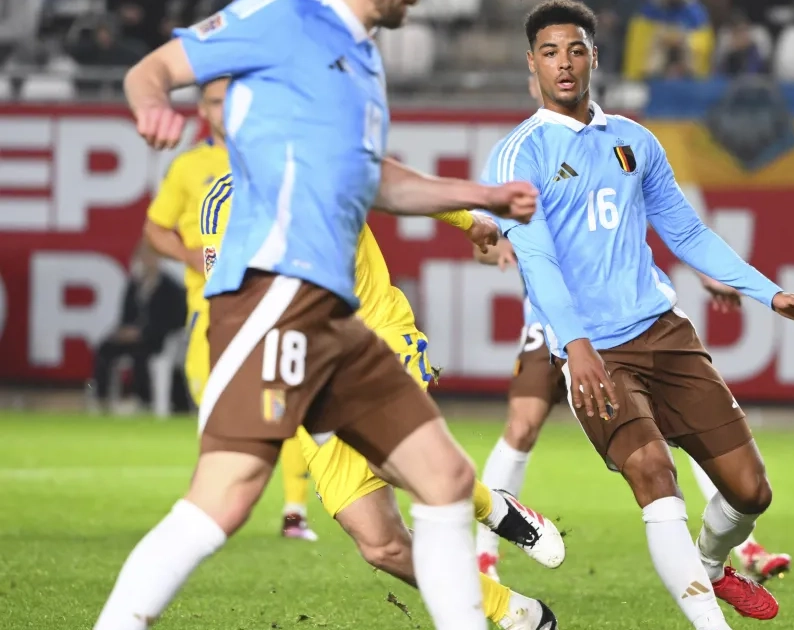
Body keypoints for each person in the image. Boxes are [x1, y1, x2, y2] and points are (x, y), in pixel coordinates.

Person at [94, 0, 540, 628]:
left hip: (336, 318)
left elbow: (371, 180)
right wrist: (150, 104)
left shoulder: (364, 59)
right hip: (278, 297)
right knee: (226, 499)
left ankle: (509, 612)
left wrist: (479, 200)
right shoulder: (284, 17)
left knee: (442, 475)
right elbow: (153, 69)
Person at [481, 2, 794, 628]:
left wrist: (767, 292)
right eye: (551, 52)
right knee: (653, 473)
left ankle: (713, 566)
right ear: (532, 63)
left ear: (594, 56)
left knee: (751, 491)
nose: (565, 63)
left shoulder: (634, 141)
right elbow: (537, 260)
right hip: (593, 351)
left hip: (664, 332)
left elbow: (686, 231)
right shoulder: (518, 155)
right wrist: (575, 345)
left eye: (576, 49)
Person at [196, 174, 560, 629]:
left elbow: (398, 186)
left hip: (376, 337)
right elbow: (232, 301)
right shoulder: (222, 203)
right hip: (310, 378)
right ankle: (515, 612)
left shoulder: (325, 160)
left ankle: (496, 510)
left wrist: (469, 221)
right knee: (380, 544)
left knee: (382, 451)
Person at [475, 240, 792, 586]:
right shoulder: (523, 203)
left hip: (618, 323)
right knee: (521, 427)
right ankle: (484, 556)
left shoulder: (605, 203)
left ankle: (744, 548)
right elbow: (482, 246)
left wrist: (707, 274)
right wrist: (506, 245)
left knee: (693, 425)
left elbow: (660, 226)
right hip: (549, 325)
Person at [142, 77, 320, 542]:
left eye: (232, 101)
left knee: (285, 405)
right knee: (215, 407)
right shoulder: (189, 167)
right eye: (216, 102)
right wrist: (189, 255)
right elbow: (155, 228)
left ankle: (295, 511)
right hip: (209, 309)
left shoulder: (271, 160)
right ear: (202, 110)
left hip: (272, 307)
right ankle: (215, 504)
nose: (225, 110)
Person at [90, 241, 187, 414]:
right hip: (134, 337)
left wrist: (143, 332)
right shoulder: (134, 286)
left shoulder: (171, 288)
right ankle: (102, 397)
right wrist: (124, 331)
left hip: (157, 340)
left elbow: (176, 320)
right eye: (143, 257)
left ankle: (142, 399)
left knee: (140, 355)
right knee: (105, 348)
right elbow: (126, 316)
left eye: (151, 256)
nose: (146, 260)